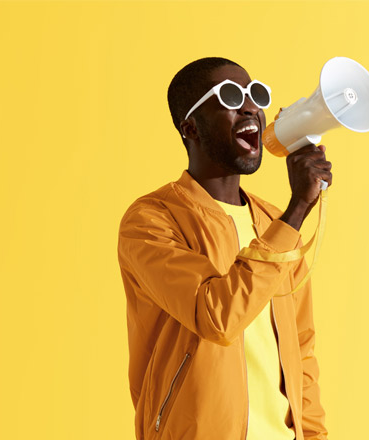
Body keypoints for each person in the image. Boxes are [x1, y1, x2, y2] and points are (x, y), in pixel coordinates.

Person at [117, 57, 331, 440]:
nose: (250, 107)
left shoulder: (272, 223)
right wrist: (297, 209)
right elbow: (215, 316)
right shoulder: (151, 220)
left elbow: (302, 348)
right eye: (230, 96)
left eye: (255, 94)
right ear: (191, 128)